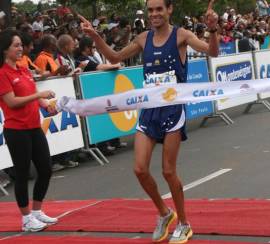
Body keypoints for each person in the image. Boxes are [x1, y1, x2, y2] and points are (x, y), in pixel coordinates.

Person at [79, 0, 219, 243]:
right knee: (140, 169)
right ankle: (165, 214)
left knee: (168, 171)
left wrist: (214, 30)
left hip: (173, 111)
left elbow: (213, 52)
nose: (154, 14)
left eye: (159, 9)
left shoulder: (181, 36)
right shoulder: (144, 38)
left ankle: (184, 223)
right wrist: (95, 36)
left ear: (169, 10)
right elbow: (114, 56)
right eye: (151, 10)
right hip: (149, 111)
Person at [0, 30, 58, 232]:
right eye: (15, 45)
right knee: (23, 174)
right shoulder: (2, 73)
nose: (20, 49)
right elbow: (12, 102)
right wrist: (39, 95)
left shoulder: (24, 69)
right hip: (16, 131)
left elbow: (34, 95)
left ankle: (36, 211)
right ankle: (26, 219)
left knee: (46, 169)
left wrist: (46, 104)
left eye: (20, 45)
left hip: (34, 127)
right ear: (5, 49)